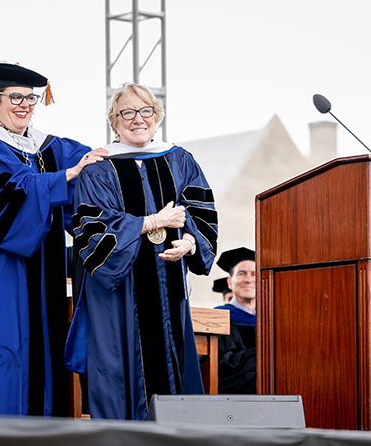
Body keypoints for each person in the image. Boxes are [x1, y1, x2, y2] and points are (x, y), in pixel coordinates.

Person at [0, 63, 107, 416]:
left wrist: (135, 151)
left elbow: (96, 164)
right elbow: (7, 196)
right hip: (0, 271)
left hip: (44, 272)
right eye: (15, 97)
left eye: (31, 98)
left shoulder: (47, 147)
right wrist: (63, 178)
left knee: (42, 354)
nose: (24, 104)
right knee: (1, 353)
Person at [64, 82, 218, 420]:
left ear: (157, 116)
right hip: (120, 299)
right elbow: (91, 234)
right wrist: (152, 221)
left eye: (146, 111)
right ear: (114, 121)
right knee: (121, 378)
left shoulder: (179, 160)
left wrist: (190, 244)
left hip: (170, 290)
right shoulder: (97, 168)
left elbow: (202, 213)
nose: (138, 119)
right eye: (127, 113)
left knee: (173, 371)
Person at [214, 247, 257, 394]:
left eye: (254, 274)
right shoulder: (216, 320)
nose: (248, 279)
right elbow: (223, 368)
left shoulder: (273, 321)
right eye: (241, 273)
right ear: (230, 282)